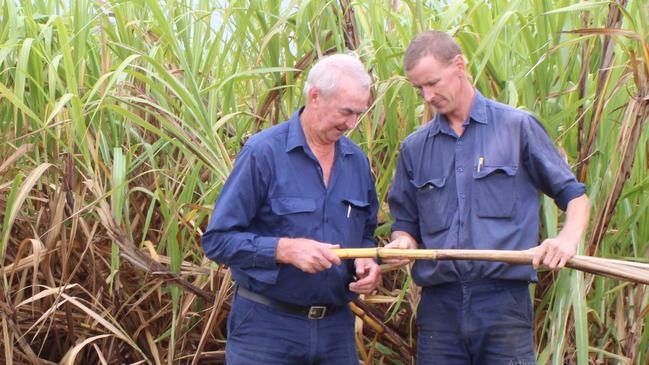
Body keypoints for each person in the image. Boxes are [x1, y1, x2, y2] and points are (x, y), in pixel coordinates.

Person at [385, 30, 590, 364]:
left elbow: (575, 197)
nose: (427, 96)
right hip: (439, 308)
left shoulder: (517, 127)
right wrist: (403, 243)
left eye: (433, 83)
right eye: (419, 88)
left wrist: (566, 239)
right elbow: (405, 224)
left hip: (503, 305)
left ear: (460, 65)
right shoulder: (414, 148)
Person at [201, 54, 381, 365]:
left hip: (336, 330)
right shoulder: (263, 154)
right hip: (267, 330)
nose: (352, 124)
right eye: (346, 112)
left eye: (358, 114)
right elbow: (217, 240)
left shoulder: (357, 162)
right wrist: (284, 249)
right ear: (315, 97)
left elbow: (366, 232)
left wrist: (367, 259)